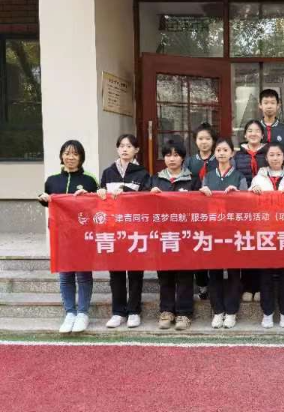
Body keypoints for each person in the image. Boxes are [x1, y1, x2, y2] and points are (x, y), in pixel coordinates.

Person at [38, 140, 98, 334]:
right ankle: (70, 312)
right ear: (61, 156)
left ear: (81, 157)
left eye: (75, 154)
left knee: (83, 275)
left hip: (83, 235)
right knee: (65, 276)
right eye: (67, 153)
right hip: (60, 235)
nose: (70, 157)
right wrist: (44, 199)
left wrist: (88, 195)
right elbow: (49, 202)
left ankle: (83, 313)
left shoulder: (89, 179)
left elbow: (97, 205)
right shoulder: (52, 180)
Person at [97, 134, 150, 329]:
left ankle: (134, 311)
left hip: (135, 229)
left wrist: (126, 190)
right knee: (116, 273)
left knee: (135, 272)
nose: (125, 149)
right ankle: (118, 311)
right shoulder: (108, 172)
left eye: (129, 146)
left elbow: (146, 199)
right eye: (121, 146)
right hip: (113, 228)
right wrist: (101, 192)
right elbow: (101, 199)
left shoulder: (142, 173)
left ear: (136, 150)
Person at [197, 137, 248, 330]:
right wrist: (202, 194)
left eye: (225, 150)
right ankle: (218, 311)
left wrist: (237, 195)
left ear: (232, 153)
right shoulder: (208, 176)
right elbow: (202, 206)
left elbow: (246, 205)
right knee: (215, 273)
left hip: (233, 231)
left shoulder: (239, 176)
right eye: (218, 150)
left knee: (234, 272)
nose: (221, 153)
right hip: (213, 231)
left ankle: (232, 312)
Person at [250, 142, 284, 328]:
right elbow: (251, 204)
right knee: (265, 274)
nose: (275, 158)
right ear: (266, 157)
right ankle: (267, 313)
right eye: (271, 155)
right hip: (265, 232)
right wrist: (253, 192)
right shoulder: (258, 177)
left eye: (278, 154)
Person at [149, 139, 195, 331]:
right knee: (165, 274)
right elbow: (144, 208)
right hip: (163, 235)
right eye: (168, 155)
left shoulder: (192, 180)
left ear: (183, 158)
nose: (172, 159)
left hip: (185, 235)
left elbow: (199, 207)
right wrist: (150, 195)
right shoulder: (155, 180)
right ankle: (166, 311)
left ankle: (184, 313)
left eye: (176, 155)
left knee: (185, 274)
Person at [233, 119, 267, 302]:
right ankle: (247, 285)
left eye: (257, 131)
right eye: (250, 131)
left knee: (262, 245)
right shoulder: (237, 156)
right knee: (246, 244)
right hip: (243, 206)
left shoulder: (269, 152)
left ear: (262, 134)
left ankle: (260, 286)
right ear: (245, 134)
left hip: (264, 206)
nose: (253, 134)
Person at [185, 122, 218, 301]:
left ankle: (216, 284)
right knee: (198, 245)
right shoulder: (190, 161)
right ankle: (202, 284)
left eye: (207, 138)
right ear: (195, 141)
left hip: (215, 210)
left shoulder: (219, 158)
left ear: (213, 141)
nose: (204, 142)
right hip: (195, 211)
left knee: (214, 246)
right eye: (200, 139)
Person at [258, 88, 284, 158]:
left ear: (278, 105)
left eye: (272, 103)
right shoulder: (255, 128)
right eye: (266, 103)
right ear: (260, 105)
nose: (269, 106)